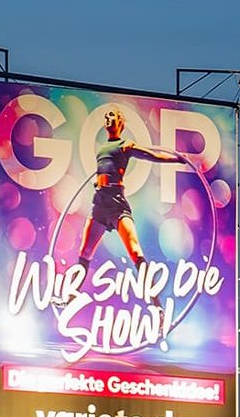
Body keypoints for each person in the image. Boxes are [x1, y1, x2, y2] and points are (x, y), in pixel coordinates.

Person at [73, 106, 186, 297]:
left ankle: (156, 305)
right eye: (106, 116)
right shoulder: (101, 149)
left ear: (121, 123)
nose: (108, 118)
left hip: (116, 204)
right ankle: (69, 295)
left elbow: (153, 156)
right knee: (85, 252)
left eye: (113, 116)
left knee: (134, 251)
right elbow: (103, 170)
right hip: (100, 205)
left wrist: (177, 159)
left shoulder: (126, 145)